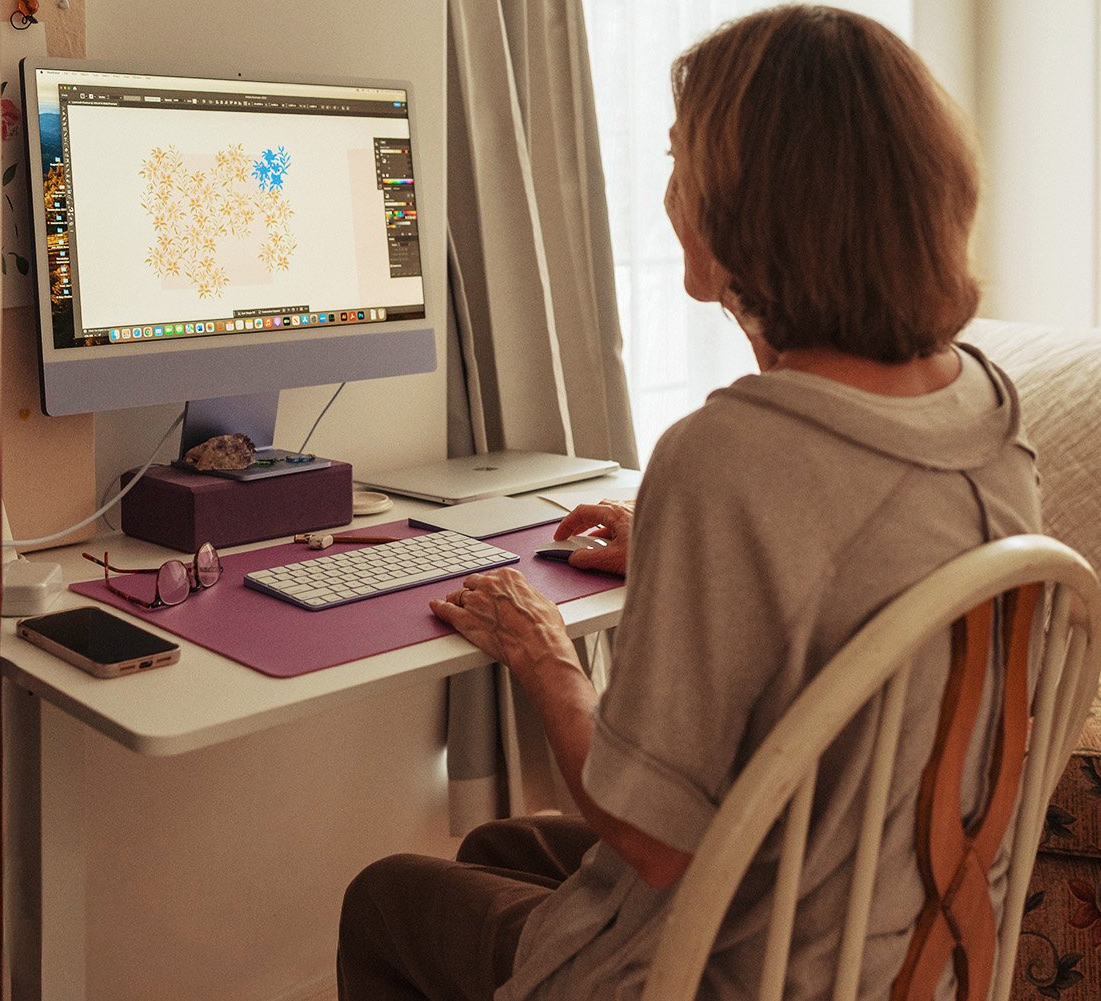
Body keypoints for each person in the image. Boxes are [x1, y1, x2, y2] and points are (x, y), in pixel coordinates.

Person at [337, 5, 1040, 1000]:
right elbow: (859, 567)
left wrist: (545, 658)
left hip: (756, 973)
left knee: (388, 895)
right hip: (910, 952)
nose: (668, 194)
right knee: (500, 841)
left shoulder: (730, 455)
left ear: (748, 203)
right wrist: (684, 550)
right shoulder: (986, 409)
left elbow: (650, 840)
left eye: (678, 161)